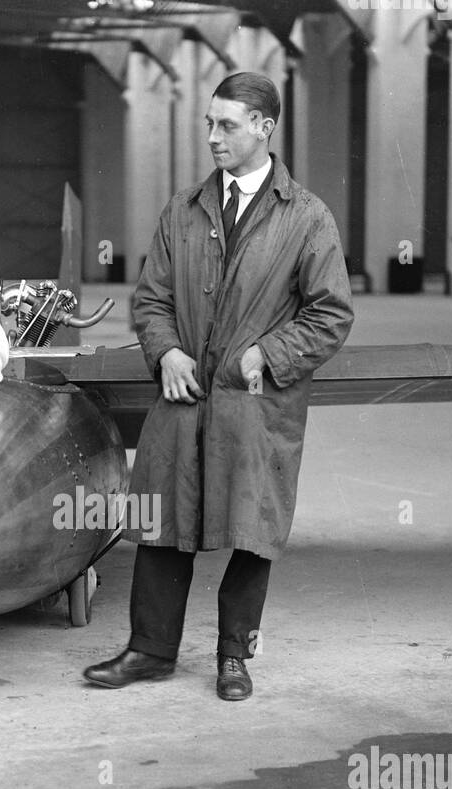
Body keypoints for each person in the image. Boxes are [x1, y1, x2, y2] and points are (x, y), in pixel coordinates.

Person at [84, 72, 354, 701]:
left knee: (250, 527)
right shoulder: (183, 210)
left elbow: (331, 313)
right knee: (162, 521)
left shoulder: (307, 217)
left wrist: (270, 352)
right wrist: (166, 351)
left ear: (265, 127)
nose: (212, 137)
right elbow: (150, 300)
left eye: (227, 125)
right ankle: (149, 651)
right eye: (209, 124)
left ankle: (235, 656)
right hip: (183, 398)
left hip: (257, 404)